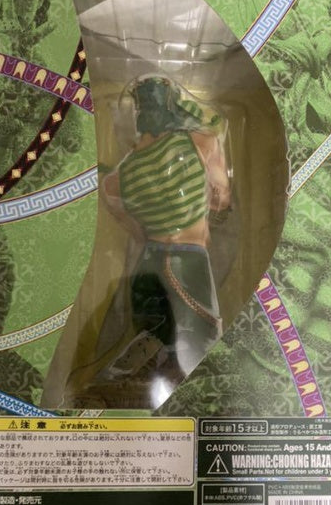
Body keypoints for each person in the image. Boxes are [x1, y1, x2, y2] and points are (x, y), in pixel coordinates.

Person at [79, 75, 231, 408]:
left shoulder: (117, 178)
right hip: (188, 263)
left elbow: (136, 229)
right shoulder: (201, 143)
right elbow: (222, 200)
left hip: (147, 265)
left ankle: (111, 388)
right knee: (204, 342)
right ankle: (178, 401)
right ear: (173, 104)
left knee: (153, 340)